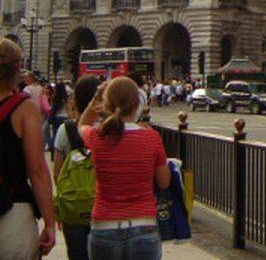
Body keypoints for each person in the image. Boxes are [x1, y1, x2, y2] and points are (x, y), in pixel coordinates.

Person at [78, 76, 170, 259]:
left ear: (107, 104)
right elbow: (164, 182)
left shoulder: (97, 137)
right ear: (137, 104)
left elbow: (82, 123)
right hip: (143, 224)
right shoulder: (151, 138)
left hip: (104, 224)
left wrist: (96, 98)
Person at [0, 38, 57, 258]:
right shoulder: (24, 108)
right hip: (12, 210)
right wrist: (50, 222)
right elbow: (37, 170)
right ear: (17, 68)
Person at [52, 75, 100, 260]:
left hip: (74, 208)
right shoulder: (107, 128)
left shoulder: (66, 130)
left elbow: (57, 173)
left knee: (77, 254)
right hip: (104, 206)